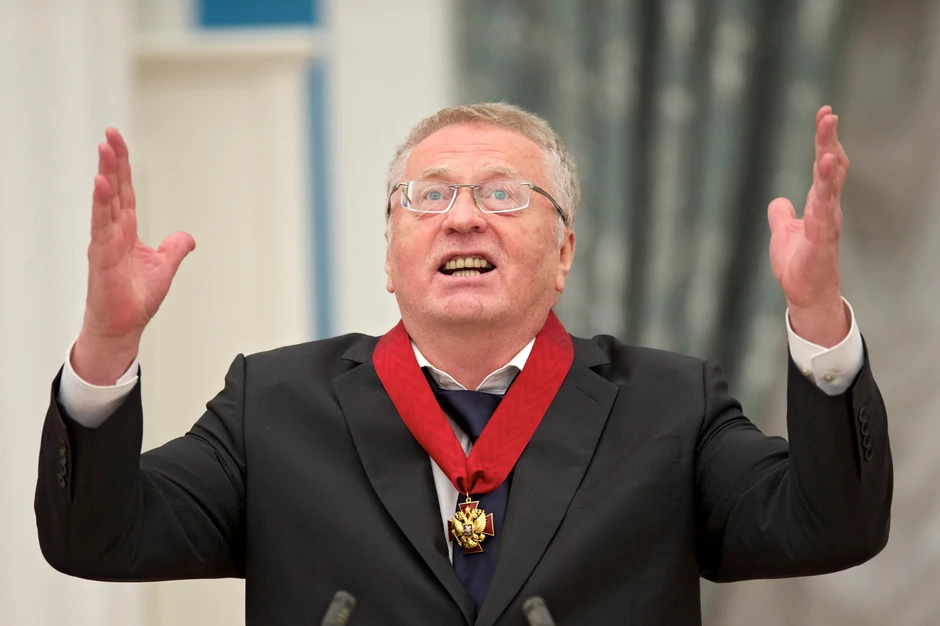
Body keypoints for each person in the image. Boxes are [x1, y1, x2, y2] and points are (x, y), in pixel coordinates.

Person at [35, 103, 891, 626]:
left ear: (564, 253)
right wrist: (106, 346)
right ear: (391, 253)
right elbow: (96, 538)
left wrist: (818, 317)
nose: (463, 217)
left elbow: (833, 526)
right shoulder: (275, 405)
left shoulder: (671, 403)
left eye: (504, 194)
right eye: (430, 195)